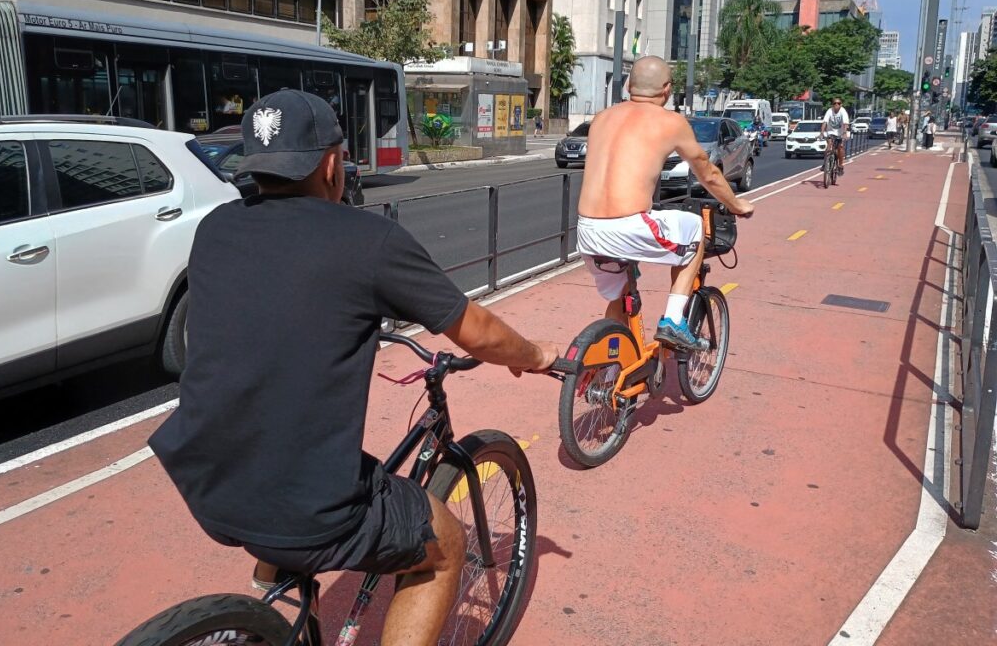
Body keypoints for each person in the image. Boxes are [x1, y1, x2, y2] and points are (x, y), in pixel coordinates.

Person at [148, 89, 560, 646]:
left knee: (285, 458)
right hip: (300, 501)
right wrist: (534, 357)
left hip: (204, 475)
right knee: (444, 547)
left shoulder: (216, 228)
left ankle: (274, 589)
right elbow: (478, 330)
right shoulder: (369, 241)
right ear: (332, 163)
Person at [575, 56, 754, 350]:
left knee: (620, 297)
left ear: (629, 85)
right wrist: (735, 204)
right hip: (628, 226)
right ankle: (673, 320)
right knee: (695, 229)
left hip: (587, 230)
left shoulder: (602, 117)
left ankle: (609, 372)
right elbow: (707, 172)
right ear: (667, 89)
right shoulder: (670, 122)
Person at [820, 98, 850, 175]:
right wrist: (822, 132)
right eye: (835, 103)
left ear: (841, 105)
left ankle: (840, 165)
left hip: (840, 133)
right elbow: (824, 122)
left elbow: (845, 123)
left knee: (840, 147)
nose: (836, 105)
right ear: (832, 105)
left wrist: (844, 133)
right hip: (830, 132)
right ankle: (825, 163)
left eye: (838, 103)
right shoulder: (829, 111)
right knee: (829, 145)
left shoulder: (843, 111)